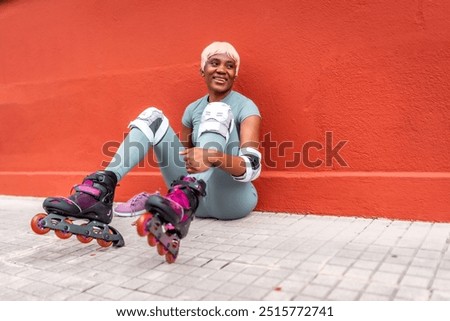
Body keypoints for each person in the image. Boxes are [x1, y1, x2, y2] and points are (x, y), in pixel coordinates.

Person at [35, 41, 262, 260]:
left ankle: (184, 199)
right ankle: (102, 190)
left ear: (235, 74)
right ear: (203, 70)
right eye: (214, 63)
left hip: (233, 199)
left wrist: (212, 156)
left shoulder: (245, 106)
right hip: (196, 203)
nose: (222, 70)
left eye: (229, 66)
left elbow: (253, 166)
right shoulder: (192, 109)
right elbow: (185, 161)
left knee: (218, 111)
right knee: (152, 115)